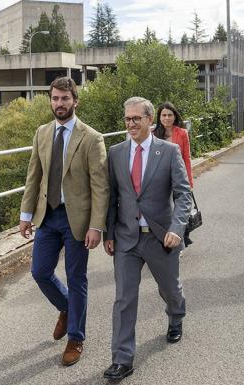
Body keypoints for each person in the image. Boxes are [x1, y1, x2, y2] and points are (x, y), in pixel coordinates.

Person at [19, 77, 108, 366]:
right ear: (50, 100)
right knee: (40, 271)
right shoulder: (42, 132)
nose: (59, 104)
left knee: (76, 277)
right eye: (55, 99)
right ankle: (68, 308)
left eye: (65, 99)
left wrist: (96, 225)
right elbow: (34, 176)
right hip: (47, 216)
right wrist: (25, 215)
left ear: (75, 101)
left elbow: (100, 186)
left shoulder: (91, 138)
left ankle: (76, 338)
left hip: (77, 219)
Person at [102, 97, 191, 381]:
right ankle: (122, 358)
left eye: (136, 119)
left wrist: (177, 228)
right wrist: (109, 232)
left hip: (161, 237)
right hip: (126, 238)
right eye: (127, 119)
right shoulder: (115, 153)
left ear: (150, 120)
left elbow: (183, 194)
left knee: (170, 289)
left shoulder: (169, 151)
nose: (130, 124)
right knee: (124, 299)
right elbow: (112, 196)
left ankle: (176, 315)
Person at [154, 102, 194, 246]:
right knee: (164, 211)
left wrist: (189, 182)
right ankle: (163, 240)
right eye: (163, 115)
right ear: (159, 117)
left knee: (179, 211)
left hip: (178, 178)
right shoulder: (154, 134)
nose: (167, 118)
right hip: (161, 179)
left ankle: (180, 242)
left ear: (174, 116)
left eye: (170, 115)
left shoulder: (182, 133)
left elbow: (186, 158)